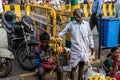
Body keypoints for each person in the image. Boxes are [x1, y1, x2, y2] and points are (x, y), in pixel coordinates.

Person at [57, 8, 94, 80]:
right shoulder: (71, 24)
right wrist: (57, 37)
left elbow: (90, 35)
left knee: (81, 67)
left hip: (84, 50)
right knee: (73, 68)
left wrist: (92, 46)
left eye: (77, 14)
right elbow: (62, 32)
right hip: (75, 51)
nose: (75, 16)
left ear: (82, 15)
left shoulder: (86, 24)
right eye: (74, 15)